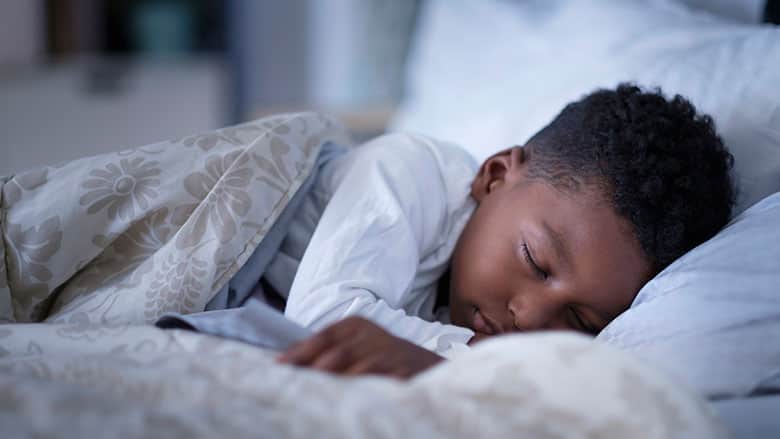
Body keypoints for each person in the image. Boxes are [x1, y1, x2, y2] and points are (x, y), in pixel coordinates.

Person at [168, 84, 736, 378]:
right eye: (536, 262)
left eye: (580, 321)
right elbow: (321, 318)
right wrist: (465, 361)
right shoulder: (410, 171)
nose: (533, 319)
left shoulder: (468, 309)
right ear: (493, 177)